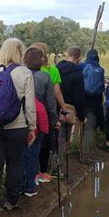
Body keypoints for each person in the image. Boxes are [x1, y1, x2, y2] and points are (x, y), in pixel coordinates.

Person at [0, 38, 36, 214]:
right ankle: (11, 200)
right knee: (15, 163)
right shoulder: (25, 73)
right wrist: (32, 127)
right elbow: (29, 105)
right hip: (17, 126)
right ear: (19, 52)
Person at [21, 46, 57, 196]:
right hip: (37, 118)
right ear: (41, 61)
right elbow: (50, 103)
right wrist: (53, 121)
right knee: (33, 151)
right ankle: (29, 185)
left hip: (20, 117)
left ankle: (16, 184)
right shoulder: (44, 77)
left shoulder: (20, 74)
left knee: (20, 153)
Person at [31, 42, 64, 182]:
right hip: (44, 113)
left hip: (29, 112)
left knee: (30, 144)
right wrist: (62, 108)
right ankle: (42, 173)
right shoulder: (52, 70)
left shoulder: (25, 69)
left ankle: (32, 174)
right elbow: (56, 92)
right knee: (44, 143)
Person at [56, 45, 86, 157]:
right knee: (63, 139)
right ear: (79, 58)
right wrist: (82, 116)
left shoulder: (56, 68)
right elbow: (79, 98)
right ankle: (57, 168)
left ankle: (48, 167)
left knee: (55, 137)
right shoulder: (78, 74)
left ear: (67, 54)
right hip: (69, 109)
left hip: (54, 106)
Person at [82, 48, 105, 132]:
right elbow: (102, 86)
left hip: (84, 98)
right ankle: (101, 130)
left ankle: (81, 138)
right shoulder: (101, 69)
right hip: (96, 100)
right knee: (96, 117)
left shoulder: (82, 66)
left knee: (83, 119)